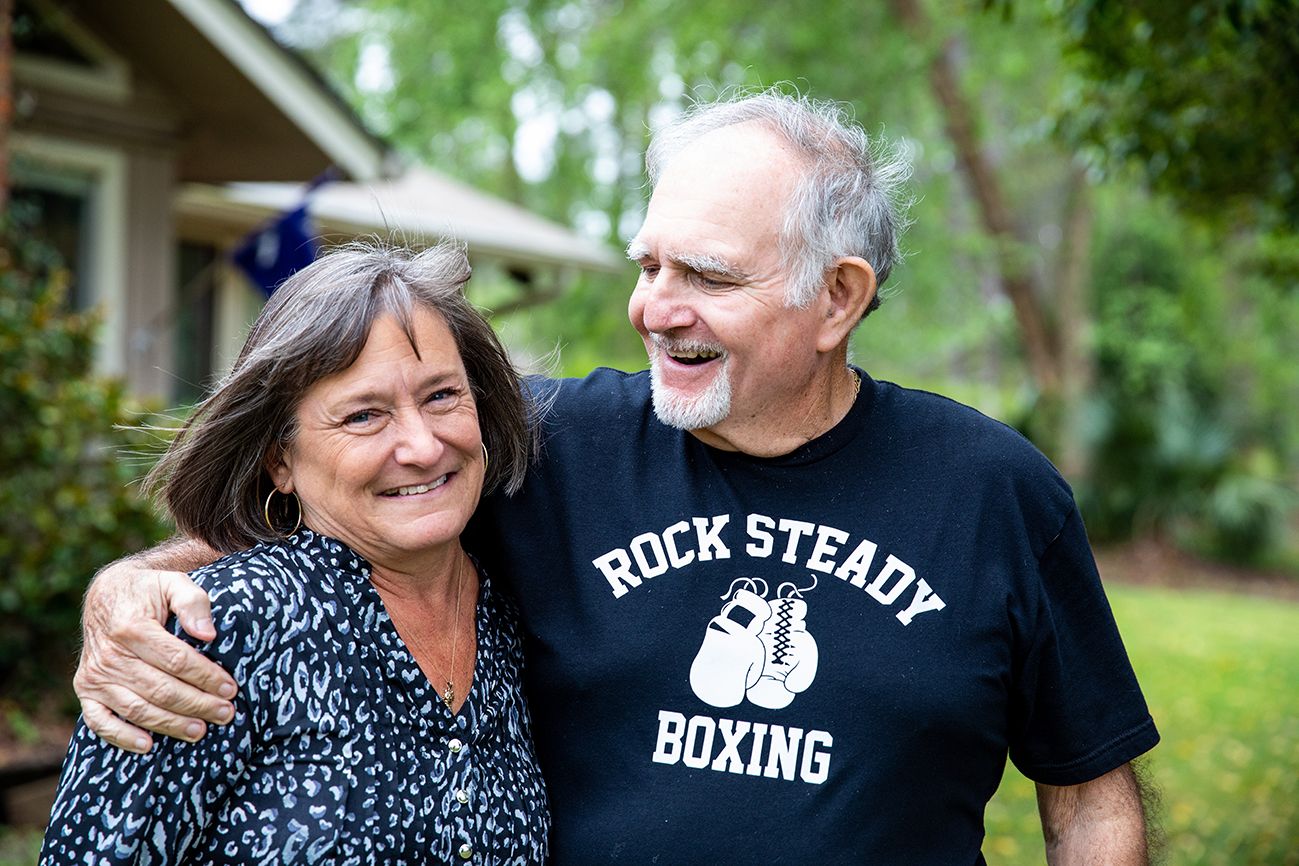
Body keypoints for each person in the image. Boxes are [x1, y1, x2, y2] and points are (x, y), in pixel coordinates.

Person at [73, 88, 1158, 864]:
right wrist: (130, 589)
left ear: (838, 297)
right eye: (649, 263)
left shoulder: (994, 491)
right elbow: (349, 493)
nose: (653, 306)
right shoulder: (544, 445)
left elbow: (1091, 801)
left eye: (705, 274)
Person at [42, 242, 549, 864]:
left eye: (442, 395)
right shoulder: (214, 631)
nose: (422, 444)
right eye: (364, 416)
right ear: (279, 460)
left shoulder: (517, 600)